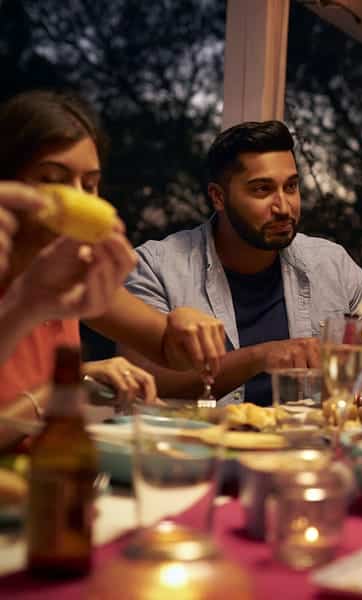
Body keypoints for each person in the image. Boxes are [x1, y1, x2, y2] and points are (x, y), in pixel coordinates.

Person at [0, 90, 226, 435]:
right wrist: (66, 385)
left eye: (89, 184)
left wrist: (181, 325)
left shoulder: (71, 274)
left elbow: (167, 347)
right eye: (51, 179)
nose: (78, 197)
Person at [122, 120, 362, 406]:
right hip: (201, 446)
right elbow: (146, 377)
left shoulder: (332, 264)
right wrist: (260, 357)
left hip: (308, 445)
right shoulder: (157, 267)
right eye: (262, 190)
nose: (283, 207)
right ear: (218, 197)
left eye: (291, 187)